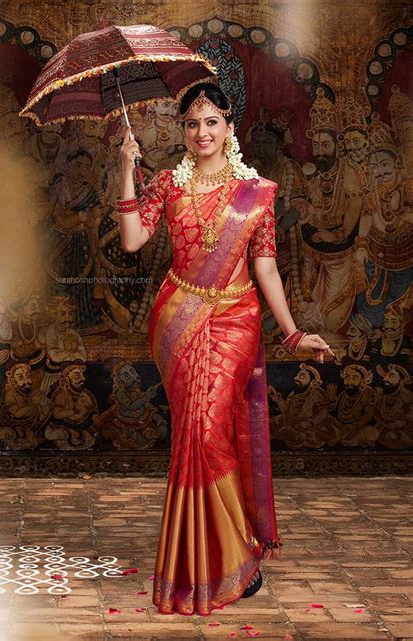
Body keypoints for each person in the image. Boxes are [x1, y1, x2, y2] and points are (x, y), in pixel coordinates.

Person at [117, 82, 333, 616]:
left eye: (211, 121)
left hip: (236, 319)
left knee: (211, 429)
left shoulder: (257, 192)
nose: (201, 133)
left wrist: (292, 332)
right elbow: (131, 241)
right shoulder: (168, 182)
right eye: (191, 123)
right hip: (177, 320)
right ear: (182, 131)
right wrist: (126, 166)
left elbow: (265, 267)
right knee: (191, 433)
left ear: (229, 126)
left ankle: (232, 553)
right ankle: (215, 556)